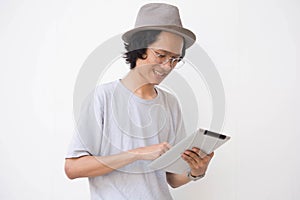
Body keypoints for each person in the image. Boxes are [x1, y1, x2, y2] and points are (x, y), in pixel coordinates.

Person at [65, 3, 214, 200]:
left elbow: (172, 179)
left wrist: (196, 171)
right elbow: (73, 168)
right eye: (161, 55)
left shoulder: (170, 103)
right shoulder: (103, 98)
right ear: (139, 48)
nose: (167, 66)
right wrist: (136, 154)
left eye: (175, 59)